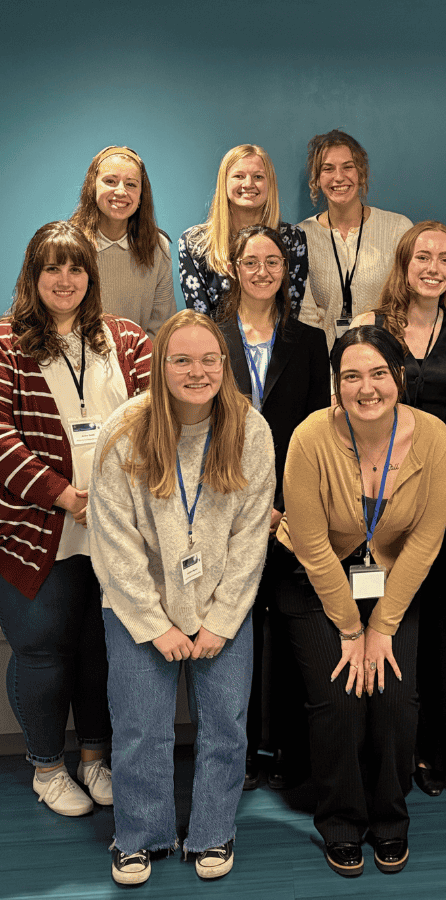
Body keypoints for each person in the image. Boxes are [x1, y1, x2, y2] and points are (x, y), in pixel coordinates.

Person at [89, 310, 275, 885]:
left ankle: (213, 831)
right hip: (138, 607)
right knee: (142, 726)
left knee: (225, 724)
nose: (198, 371)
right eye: (182, 360)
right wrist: (153, 624)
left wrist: (220, 620)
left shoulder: (250, 429)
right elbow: (112, 539)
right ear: (160, 366)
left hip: (223, 605)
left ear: (226, 364)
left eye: (209, 359)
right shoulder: (125, 430)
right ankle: (140, 835)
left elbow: (250, 535)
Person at [276, 326, 446, 877]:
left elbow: (426, 541)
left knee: (396, 697)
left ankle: (390, 819)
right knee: (340, 696)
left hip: (394, 584)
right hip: (314, 580)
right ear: (336, 384)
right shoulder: (309, 437)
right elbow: (309, 544)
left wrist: (383, 627)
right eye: (351, 375)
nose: (366, 387)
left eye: (379, 373)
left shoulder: (432, 436)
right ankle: (342, 822)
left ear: (399, 377)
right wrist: (353, 630)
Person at [0, 221, 151, 818]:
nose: (65, 280)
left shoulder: (128, 338)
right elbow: (2, 440)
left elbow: (153, 421)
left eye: (76, 268)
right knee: (40, 647)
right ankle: (45, 767)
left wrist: (123, 501)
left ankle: (94, 760)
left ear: (92, 275)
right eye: (52, 268)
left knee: (101, 649)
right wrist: (65, 496)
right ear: (33, 276)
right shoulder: (7, 344)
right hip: (37, 529)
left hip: (117, 530)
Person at [353, 221, 446, 795]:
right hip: (377, 500)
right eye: (423, 257)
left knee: (440, 629)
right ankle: (387, 750)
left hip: (445, 496)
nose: (433, 267)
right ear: (404, 263)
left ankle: (439, 749)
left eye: (445, 259)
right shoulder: (369, 328)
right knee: (384, 620)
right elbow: (348, 413)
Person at [216, 225, 330, 790]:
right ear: (234, 268)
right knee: (234, 633)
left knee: (288, 631)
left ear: (287, 272)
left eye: (273, 262)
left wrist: (283, 506)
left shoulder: (308, 341)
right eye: (251, 261)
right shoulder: (208, 336)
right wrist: (248, 506)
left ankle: (284, 746)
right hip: (223, 510)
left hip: (291, 512)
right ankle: (242, 751)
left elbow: (316, 430)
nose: (262, 271)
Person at [299, 130, 413, 348]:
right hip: (326, 363)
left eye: (348, 167)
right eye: (327, 169)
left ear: (361, 173)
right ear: (317, 178)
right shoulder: (301, 235)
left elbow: (407, 304)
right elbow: (306, 316)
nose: (339, 177)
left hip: (385, 358)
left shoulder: (398, 228)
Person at [179, 144, 308, 320]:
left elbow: (290, 315)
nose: (248, 184)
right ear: (223, 182)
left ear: (269, 183)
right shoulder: (195, 243)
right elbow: (200, 322)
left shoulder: (293, 239)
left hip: (278, 345)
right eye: (239, 176)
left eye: (258, 177)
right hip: (215, 346)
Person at [70, 145, 176, 341]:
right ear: (92, 187)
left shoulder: (157, 247)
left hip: (136, 366)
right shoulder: (67, 244)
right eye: (110, 181)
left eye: (131, 184)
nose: (121, 191)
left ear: (141, 195)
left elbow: (161, 328)